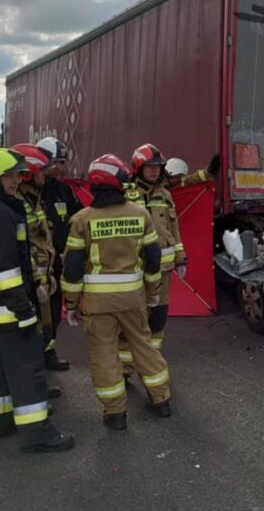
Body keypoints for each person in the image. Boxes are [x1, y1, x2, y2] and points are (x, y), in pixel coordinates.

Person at [0, 148, 74, 452]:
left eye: (17, 175)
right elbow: (2, 269)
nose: (16, 180)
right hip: (8, 309)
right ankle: (38, 434)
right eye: (9, 175)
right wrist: (23, 309)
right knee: (29, 369)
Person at [62, 154, 171, 430]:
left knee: (104, 355)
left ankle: (116, 414)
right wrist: (153, 291)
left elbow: (72, 267)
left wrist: (72, 304)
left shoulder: (81, 220)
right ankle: (161, 400)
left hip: (98, 306)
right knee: (144, 346)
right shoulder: (140, 214)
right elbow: (153, 258)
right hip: (134, 300)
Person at [121, 144, 183, 367]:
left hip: (163, 270)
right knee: (132, 318)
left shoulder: (165, 195)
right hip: (134, 268)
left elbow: (173, 228)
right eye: (149, 167)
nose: (154, 171)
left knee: (157, 319)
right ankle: (126, 367)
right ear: (138, 168)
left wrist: (180, 257)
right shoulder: (125, 195)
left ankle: (153, 360)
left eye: (157, 166)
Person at [11, 144, 60, 385]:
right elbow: (22, 247)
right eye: (41, 171)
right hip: (30, 280)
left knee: (43, 331)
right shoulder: (18, 202)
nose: (45, 175)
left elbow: (41, 239)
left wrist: (47, 275)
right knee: (31, 335)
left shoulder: (32, 199)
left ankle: (39, 382)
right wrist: (37, 280)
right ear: (29, 174)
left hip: (41, 276)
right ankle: (32, 388)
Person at [36, 136, 82, 371]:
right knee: (36, 315)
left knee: (54, 311)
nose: (59, 167)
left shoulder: (65, 191)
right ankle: (34, 358)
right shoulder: (33, 191)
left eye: (62, 163)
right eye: (55, 162)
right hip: (37, 267)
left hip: (58, 265)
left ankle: (48, 352)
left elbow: (81, 216)